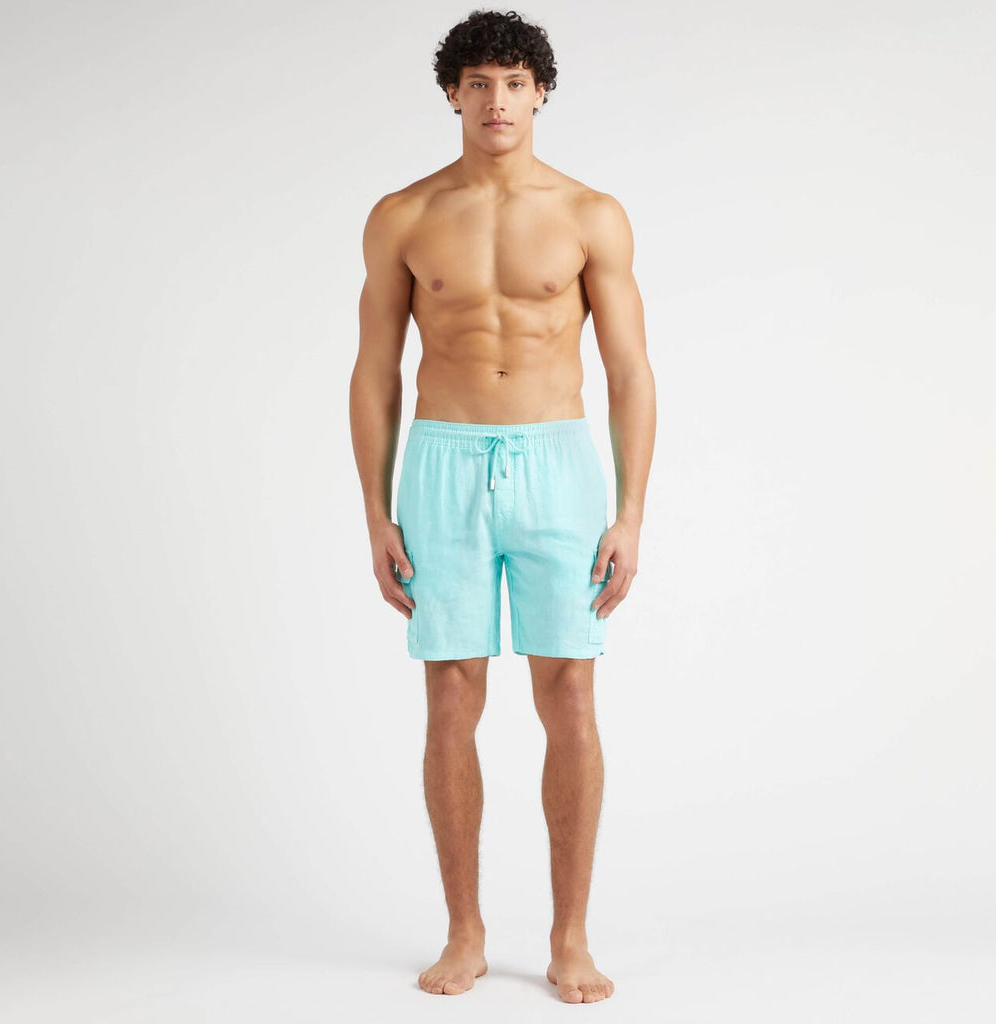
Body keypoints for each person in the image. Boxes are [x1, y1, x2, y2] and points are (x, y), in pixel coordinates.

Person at [349, 9, 655, 1005]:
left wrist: (630, 514)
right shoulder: (403, 215)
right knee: (450, 697)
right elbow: (374, 373)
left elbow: (630, 373)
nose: (497, 100)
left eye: (515, 83)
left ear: (541, 93)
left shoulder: (591, 214)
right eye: (478, 82)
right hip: (441, 462)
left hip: (557, 462)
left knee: (570, 694)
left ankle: (570, 936)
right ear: (452, 93)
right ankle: (465, 930)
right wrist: (376, 513)